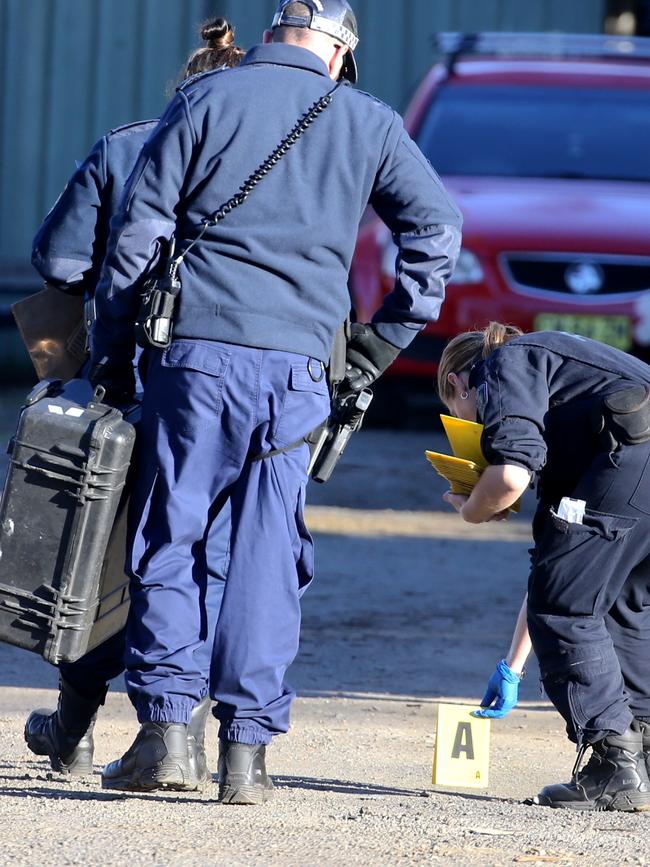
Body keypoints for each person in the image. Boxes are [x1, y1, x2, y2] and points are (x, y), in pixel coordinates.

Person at [90, 0, 462, 805]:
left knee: (172, 536)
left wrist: (112, 352)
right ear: (337, 55)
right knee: (267, 551)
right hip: (300, 374)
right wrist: (383, 342)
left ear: (271, 37)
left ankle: (166, 735)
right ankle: (247, 755)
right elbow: (437, 228)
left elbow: (136, 234)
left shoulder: (204, 99)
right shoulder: (368, 120)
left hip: (192, 359)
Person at [24, 17, 245, 790]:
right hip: (238, 388)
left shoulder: (125, 145)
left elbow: (57, 259)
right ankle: (186, 733)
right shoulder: (264, 156)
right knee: (203, 557)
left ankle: (76, 728)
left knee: (106, 556)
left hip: (133, 383)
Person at [438, 322, 650, 812]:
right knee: (620, 605)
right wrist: (511, 668)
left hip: (634, 457)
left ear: (457, 386)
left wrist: (473, 509)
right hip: (631, 463)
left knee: (571, 607)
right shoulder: (567, 402)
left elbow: (510, 474)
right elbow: (552, 571)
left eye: (460, 418)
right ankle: (642, 758)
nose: (474, 429)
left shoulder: (503, 366)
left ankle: (615, 767)